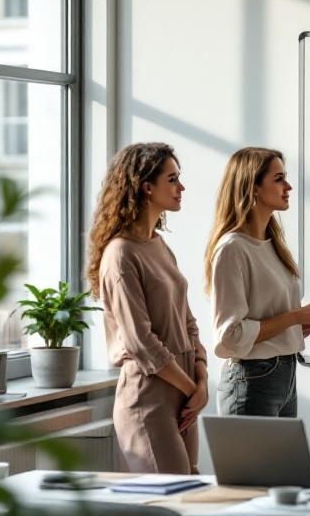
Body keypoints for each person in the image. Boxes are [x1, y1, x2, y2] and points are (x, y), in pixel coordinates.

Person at [87, 142, 208, 474]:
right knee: (171, 498)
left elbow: (188, 322)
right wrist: (191, 388)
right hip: (150, 396)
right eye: (172, 179)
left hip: (183, 391)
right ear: (146, 186)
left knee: (190, 491)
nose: (181, 187)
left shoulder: (159, 245)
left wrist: (202, 375)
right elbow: (141, 341)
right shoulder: (120, 254)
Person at [204, 147, 310, 417]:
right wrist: (294, 316)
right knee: (253, 462)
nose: (289, 186)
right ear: (254, 188)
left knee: (280, 462)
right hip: (251, 379)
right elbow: (231, 335)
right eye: (278, 179)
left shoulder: (274, 245)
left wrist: (304, 322)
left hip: (284, 375)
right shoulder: (232, 249)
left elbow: (267, 320)